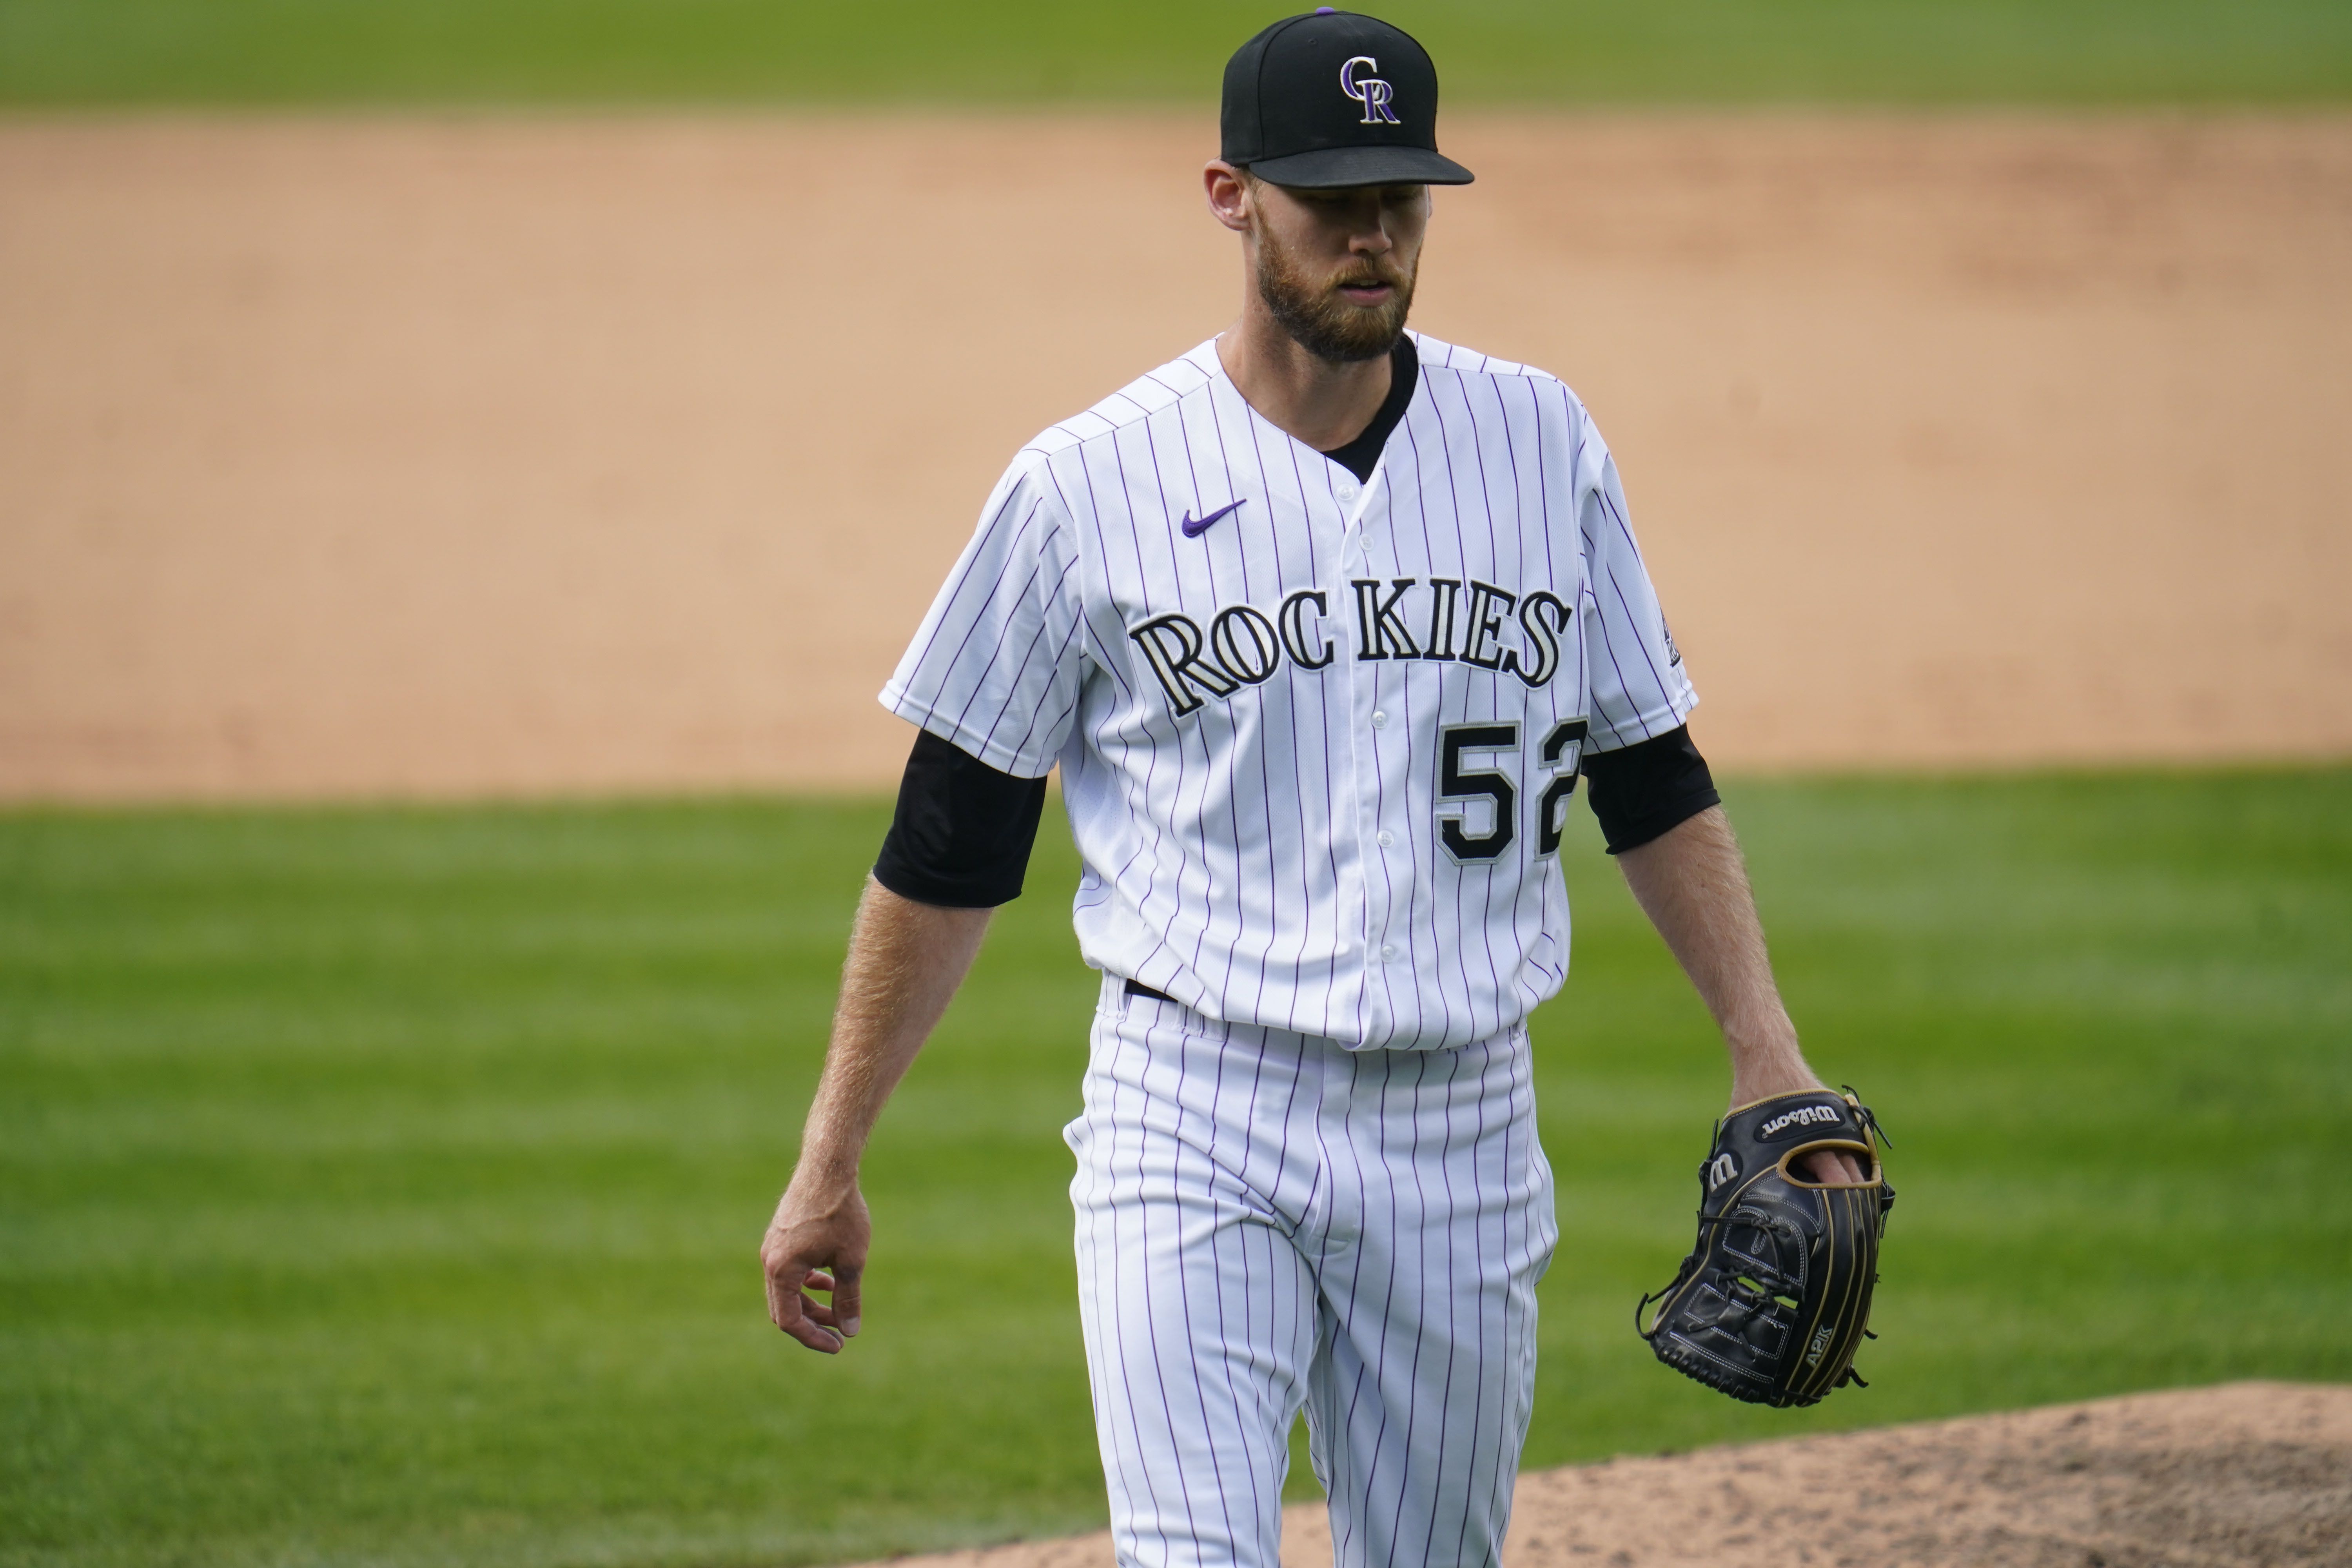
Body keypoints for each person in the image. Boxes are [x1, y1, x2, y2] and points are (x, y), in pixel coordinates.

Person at [762, 11, 1864, 1568]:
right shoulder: (1087, 484)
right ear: (1230, 195)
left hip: (1465, 1119)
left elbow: (1650, 767)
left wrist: (1767, 1046)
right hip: (1191, 1108)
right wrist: (831, 1160)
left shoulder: (1538, 444)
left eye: (1401, 197)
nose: (1373, 233)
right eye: (1330, 197)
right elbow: (950, 842)